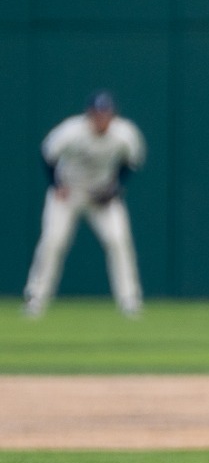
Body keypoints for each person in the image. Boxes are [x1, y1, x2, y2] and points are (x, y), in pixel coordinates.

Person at [24, 92, 147, 319]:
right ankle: (36, 298)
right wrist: (55, 184)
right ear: (89, 114)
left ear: (112, 115)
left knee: (118, 240)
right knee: (53, 241)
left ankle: (130, 300)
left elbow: (133, 161)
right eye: (97, 114)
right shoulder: (72, 131)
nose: (102, 118)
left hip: (101, 195)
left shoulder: (124, 134)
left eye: (106, 114)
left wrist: (116, 186)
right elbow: (47, 152)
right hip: (68, 192)